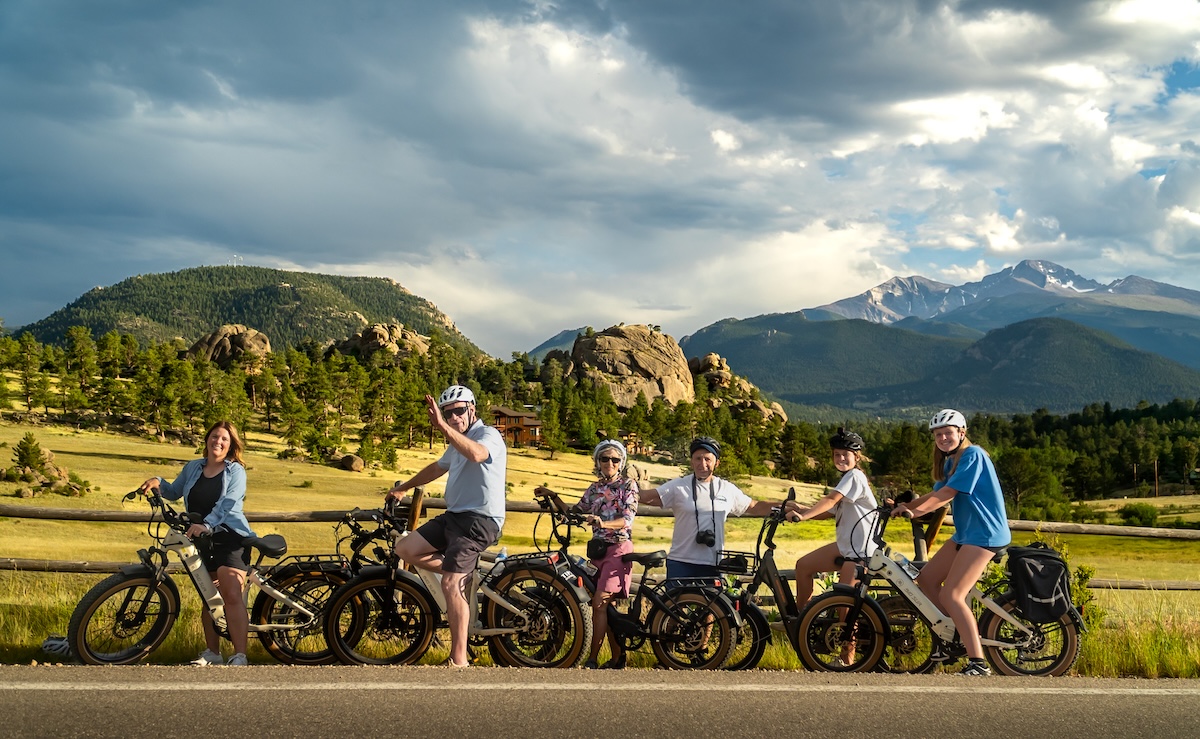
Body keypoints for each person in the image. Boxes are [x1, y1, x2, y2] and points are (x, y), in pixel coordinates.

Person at [387, 385, 507, 668]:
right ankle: (463, 572)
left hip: (480, 520)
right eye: (448, 413)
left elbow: (477, 455)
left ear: (472, 409)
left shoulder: (488, 435)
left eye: (459, 411)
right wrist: (403, 488)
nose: (454, 417)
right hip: (454, 517)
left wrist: (441, 426)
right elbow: (436, 468)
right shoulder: (456, 441)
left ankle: (459, 659)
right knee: (405, 548)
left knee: (451, 583)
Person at [891, 408, 1011, 677]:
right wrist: (903, 506)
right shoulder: (949, 463)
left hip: (985, 535)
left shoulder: (974, 455)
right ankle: (954, 634)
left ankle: (978, 662)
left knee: (952, 594)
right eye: (938, 435)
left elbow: (947, 494)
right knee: (927, 580)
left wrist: (916, 512)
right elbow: (932, 495)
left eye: (948, 433)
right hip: (966, 535)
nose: (943, 438)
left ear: (962, 433)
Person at [139, 420, 254, 666]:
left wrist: (208, 525)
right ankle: (212, 652)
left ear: (231, 445)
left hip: (230, 536)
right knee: (209, 595)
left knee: (231, 594)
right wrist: (157, 481)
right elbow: (174, 491)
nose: (218, 442)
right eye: (214, 437)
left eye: (224, 439)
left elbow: (229, 503)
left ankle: (240, 655)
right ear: (207, 439)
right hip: (202, 539)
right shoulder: (193, 467)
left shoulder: (236, 471)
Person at [536, 439, 638, 670]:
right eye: (605, 459)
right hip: (598, 551)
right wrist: (552, 495)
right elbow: (574, 512)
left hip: (618, 549)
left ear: (621, 462)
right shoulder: (594, 489)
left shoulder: (627, 486)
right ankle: (617, 658)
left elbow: (628, 519)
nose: (609, 463)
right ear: (598, 462)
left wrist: (604, 522)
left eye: (614, 459)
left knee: (600, 603)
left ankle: (592, 659)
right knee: (605, 607)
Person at [639, 436, 798, 581]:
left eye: (708, 459)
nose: (703, 464)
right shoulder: (678, 486)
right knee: (674, 609)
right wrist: (621, 489)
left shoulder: (726, 488)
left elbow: (754, 506)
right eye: (698, 458)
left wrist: (784, 506)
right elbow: (646, 497)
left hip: (713, 562)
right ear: (692, 462)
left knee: (713, 611)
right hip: (681, 561)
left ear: (717, 462)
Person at [790, 428, 880, 607]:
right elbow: (828, 512)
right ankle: (803, 621)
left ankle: (844, 634)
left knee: (844, 609)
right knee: (804, 566)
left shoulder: (855, 476)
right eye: (836, 455)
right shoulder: (848, 478)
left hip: (860, 553)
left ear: (857, 457)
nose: (840, 459)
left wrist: (803, 516)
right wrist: (800, 509)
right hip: (847, 547)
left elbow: (831, 500)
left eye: (845, 454)